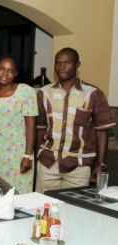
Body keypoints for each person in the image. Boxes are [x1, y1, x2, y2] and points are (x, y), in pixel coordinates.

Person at [35, 48, 115, 192]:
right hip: (48, 164)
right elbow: (40, 129)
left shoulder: (93, 94)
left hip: (79, 166)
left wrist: (100, 164)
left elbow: (102, 132)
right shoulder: (44, 93)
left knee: (73, 208)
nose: (62, 67)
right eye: (58, 63)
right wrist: (38, 155)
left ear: (77, 65)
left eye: (67, 63)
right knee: (43, 207)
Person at [0, 56, 37, 194]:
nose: (4, 74)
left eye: (10, 71)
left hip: (18, 154)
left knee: (20, 197)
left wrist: (28, 156)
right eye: (1, 69)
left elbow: (31, 125)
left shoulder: (25, 91)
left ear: (16, 73)